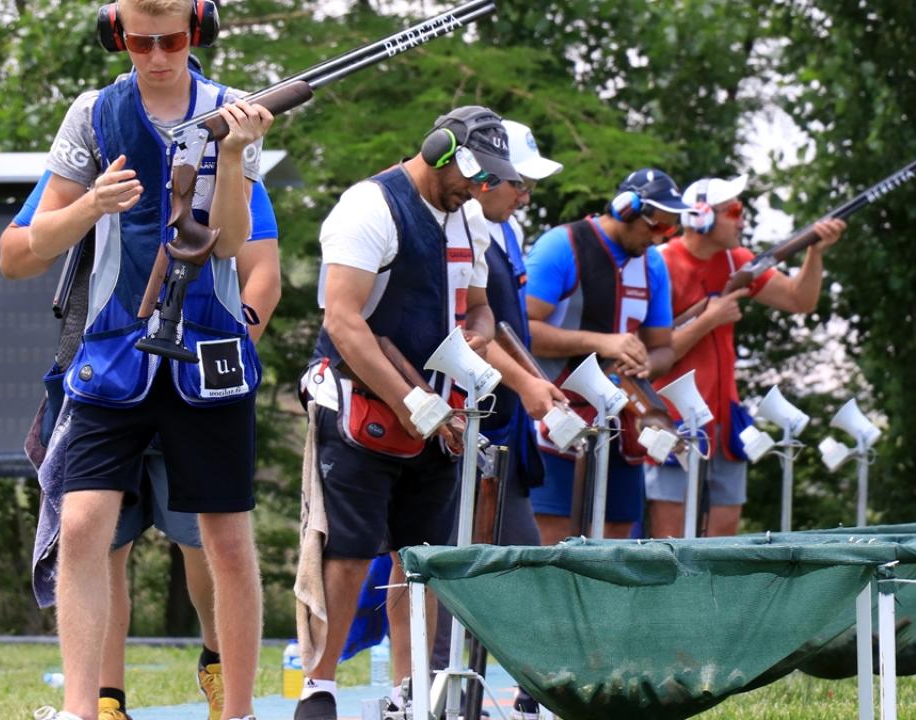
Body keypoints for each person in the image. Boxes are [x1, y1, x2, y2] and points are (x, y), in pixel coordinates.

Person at [27, 0, 274, 716]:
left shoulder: (235, 110)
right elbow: (34, 240)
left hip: (209, 351)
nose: (157, 54)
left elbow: (229, 245)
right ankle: (82, 708)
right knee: (80, 526)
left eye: (170, 39)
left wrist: (231, 154)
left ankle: (238, 709)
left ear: (198, 29)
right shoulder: (92, 114)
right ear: (118, 34)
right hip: (112, 349)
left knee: (226, 540)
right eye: (139, 39)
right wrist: (91, 206)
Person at [293, 106, 561, 720]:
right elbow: (343, 320)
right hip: (359, 401)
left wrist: (471, 350)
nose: (481, 187)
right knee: (348, 550)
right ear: (440, 149)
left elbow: (480, 310)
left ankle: (410, 689)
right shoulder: (370, 207)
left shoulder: (470, 219)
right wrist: (410, 399)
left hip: (440, 413)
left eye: (490, 176)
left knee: (423, 556)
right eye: (473, 172)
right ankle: (321, 684)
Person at [3, 170, 281, 720]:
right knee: (96, 540)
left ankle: (219, 667)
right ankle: (104, 701)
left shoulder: (225, 164)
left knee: (208, 543)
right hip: (105, 377)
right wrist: (89, 203)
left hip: (195, 385)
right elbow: (15, 256)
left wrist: (221, 350)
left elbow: (263, 276)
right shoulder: (96, 161)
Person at [427, 118, 563, 720]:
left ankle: (518, 692)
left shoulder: (505, 230)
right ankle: (441, 690)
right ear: (486, 180)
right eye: (518, 183)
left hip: (503, 421)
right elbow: (467, 328)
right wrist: (529, 382)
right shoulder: (469, 226)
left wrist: (535, 381)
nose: (524, 194)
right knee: (461, 562)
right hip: (463, 417)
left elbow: (504, 328)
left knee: (517, 560)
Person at [647, 174, 845, 537]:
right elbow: (648, 355)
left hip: (724, 423)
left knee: (723, 544)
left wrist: (814, 251)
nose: (742, 218)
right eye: (734, 210)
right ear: (702, 217)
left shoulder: (736, 260)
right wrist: (709, 320)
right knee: (668, 540)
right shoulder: (659, 263)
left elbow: (800, 300)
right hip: (672, 420)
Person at [524, 169, 689, 541]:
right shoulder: (561, 245)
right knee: (551, 540)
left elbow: (663, 348)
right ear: (625, 210)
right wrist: (602, 342)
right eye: (659, 226)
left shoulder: (653, 264)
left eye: (671, 230)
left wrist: (647, 363)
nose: (662, 238)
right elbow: (523, 331)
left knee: (617, 539)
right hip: (557, 414)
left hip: (623, 421)